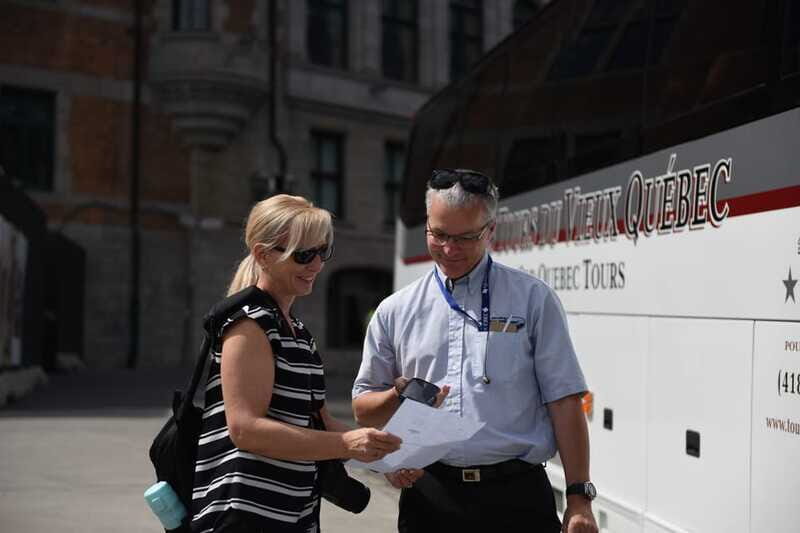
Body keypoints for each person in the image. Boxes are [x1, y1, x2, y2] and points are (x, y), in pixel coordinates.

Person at [351, 169, 598, 533]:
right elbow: (363, 409)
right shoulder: (395, 309)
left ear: (491, 230)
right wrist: (399, 404)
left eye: (466, 237)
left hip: (517, 499)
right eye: (439, 235)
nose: (450, 249)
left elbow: (564, 401)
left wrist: (579, 498)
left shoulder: (533, 299)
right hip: (430, 499)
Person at [191, 195, 402, 533]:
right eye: (304, 255)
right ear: (263, 255)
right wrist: (347, 444)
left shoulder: (296, 330)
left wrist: (385, 457)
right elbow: (245, 429)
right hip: (247, 512)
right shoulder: (250, 324)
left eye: (323, 252)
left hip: (293, 510)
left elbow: (319, 420)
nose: (317, 265)